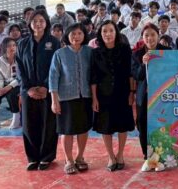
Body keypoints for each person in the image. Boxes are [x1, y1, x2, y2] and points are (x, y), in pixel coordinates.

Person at [16, 10, 60, 170]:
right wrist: (28, 89)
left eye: (41, 20)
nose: (38, 24)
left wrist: (46, 86)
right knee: (29, 124)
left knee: (48, 123)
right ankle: (32, 157)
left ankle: (46, 157)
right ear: (30, 24)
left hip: (48, 90)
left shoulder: (53, 42)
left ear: (46, 23)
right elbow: (19, 68)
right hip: (28, 91)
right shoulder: (22, 43)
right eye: (35, 21)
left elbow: (56, 67)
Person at [90, 20, 135, 171]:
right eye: (104, 31)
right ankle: (111, 156)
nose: (108, 34)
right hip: (103, 95)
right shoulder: (95, 52)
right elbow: (93, 78)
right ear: (100, 34)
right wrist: (94, 98)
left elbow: (130, 73)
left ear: (116, 32)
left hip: (122, 93)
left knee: (123, 125)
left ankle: (120, 154)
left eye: (111, 30)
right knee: (106, 127)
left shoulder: (125, 49)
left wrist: (131, 92)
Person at [49, 23, 93, 175]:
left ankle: (80, 157)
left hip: (85, 96)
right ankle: (68, 160)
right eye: (73, 34)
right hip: (66, 98)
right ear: (67, 36)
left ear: (84, 35)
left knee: (83, 129)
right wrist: (54, 99)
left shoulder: (89, 52)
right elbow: (53, 77)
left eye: (80, 33)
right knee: (66, 130)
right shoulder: (59, 54)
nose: (76, 36)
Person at [131, 24, 171, 171]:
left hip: (162, 97)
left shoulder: (167, 51)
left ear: (158, 36)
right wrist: (143, 64)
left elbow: (172, 71)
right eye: (146, 35)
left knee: (162, 125)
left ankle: (162, 157)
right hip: (144, 96)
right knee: (143, 125)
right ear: (142, 37)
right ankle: (147, 157)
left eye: (153, 34)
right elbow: (137, 76)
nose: (150, 38)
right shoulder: (137, 54)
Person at [0, 37, 21, 129]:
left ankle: (16, 119)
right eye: (9, 46)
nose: (12, 48)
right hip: (3, 84)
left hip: (17, 84)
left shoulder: (20, 59)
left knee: (12, 96)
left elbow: (21, 77)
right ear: (4, 48)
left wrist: (9, 87)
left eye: (14, 45)